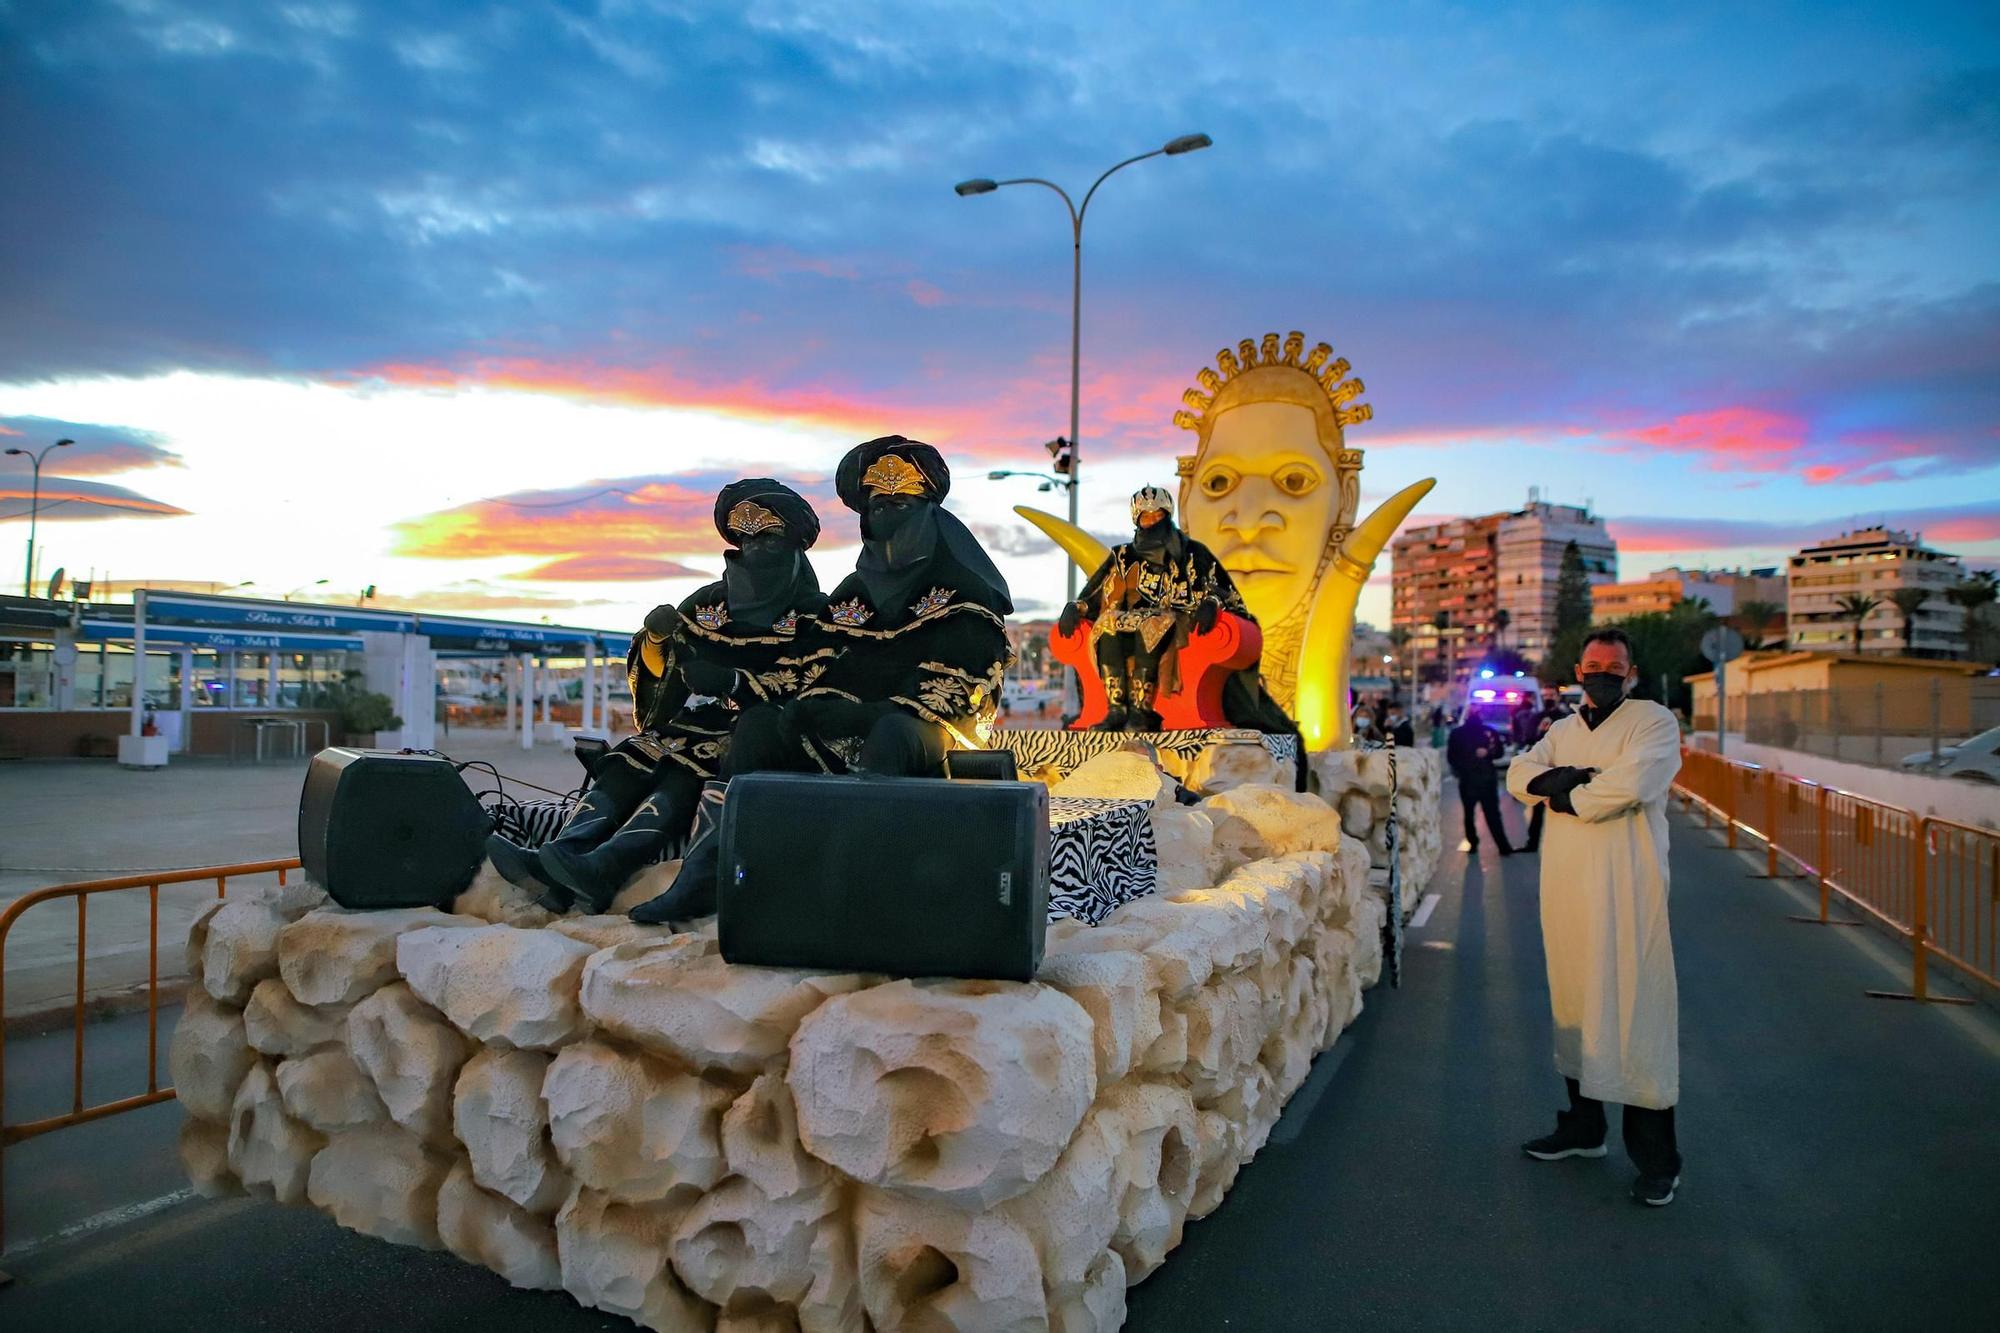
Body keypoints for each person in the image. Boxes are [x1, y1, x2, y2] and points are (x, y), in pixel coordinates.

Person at [629, 436, 1014, 922]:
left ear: (930, 512)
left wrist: (874, 711)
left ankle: (850, 891)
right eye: (878, 506)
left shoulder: (965, 589)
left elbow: (965, 683)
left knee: (892, 734)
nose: (888, 516)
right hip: (841, 728)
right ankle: (709, 876)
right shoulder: (854, 592)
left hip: (926, 733)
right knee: (760, 726)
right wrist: (796, 700)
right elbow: (808, 665)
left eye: (902, 504)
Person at [487, 479, 826, 912]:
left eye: (769, 539)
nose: (755, 550)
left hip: (766, 736)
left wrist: (733, 681)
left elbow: (814, 682)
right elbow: (661, 695)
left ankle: (606, 868)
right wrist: (655, 642)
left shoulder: (817, 613)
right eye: (745, 538)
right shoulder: (708, 606)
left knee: (686, 769)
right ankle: (563, 859)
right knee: (636, 756)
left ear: (796, 547)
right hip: (704, 726)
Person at [1507, 627, 1685, 1207]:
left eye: (1615, 664)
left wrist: (1565, 792)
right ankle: (1584, 1129)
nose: (1603, 671)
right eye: (1593, 663)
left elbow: (1634, 784)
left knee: (1637, 1010)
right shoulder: (1560, 729)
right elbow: (1518, 775)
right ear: (1578, 670)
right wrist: (1564, 780)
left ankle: (1659, 1160)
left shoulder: (1654, 722)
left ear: (1630, 672)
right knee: (1576, 1003)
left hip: (1629, 891)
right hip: (1566, 889)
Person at [1059, 485, 1254, 732]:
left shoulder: (1193, 552)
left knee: (1152, 623)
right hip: (1127, 621)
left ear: (1167, 516)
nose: (1152, 521)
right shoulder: (1123, 555)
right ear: (1137, 520)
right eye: (1146, 517)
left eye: (1157, 515)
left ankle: (1141, 712)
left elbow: (1221, 588)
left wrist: (1211, 603)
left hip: (1176, 620)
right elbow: (1097, 592)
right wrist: (1076, 607)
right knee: (1106, 624)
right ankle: (1116, 710)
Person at [1447, 707, 1515, 854]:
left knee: (1470, 813)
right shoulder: (1488, 732)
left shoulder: (1458, 733)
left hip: (1471, 779)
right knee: (1491, 814)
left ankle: (1475, 843)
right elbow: (1499, 753)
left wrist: (1462, 769)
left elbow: (1452, 757)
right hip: (1485, 779)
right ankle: (1503, 846)